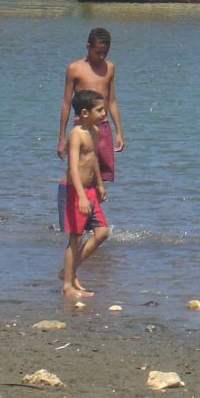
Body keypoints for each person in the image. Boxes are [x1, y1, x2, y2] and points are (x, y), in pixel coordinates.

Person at [57, 28, 124, 183]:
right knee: (82, 169)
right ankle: (74, 196)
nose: (102, 57)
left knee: (102, 175)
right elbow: (66, 103)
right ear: (88, 47)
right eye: (98, 52)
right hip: (82, 127)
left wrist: (119, 132)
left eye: (105, 53)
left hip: (103, 126)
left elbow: (111, 101)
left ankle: (96, 198)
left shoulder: (110, 68)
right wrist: (62, 137)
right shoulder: (74, 69)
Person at [60, 89, 110, 298]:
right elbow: (73, 167)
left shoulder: (95, 131)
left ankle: (68, 272)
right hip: (75, 190)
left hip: (90, 190)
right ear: (85, 113)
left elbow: (93, 160)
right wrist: (81, 195)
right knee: (76, 237)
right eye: (100, 110)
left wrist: (99, 184)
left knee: (102, 232)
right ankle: (67, 286)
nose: (104, 113)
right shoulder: (77, 134)